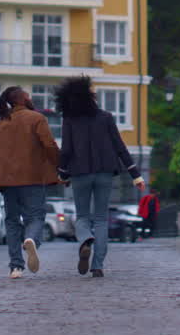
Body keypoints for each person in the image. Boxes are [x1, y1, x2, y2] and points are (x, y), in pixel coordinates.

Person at [55, 76, 145, 278]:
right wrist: (136, 175)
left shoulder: (69, 120)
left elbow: (67, 150)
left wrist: (62, 172)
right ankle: (97, 265)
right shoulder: (106, 117)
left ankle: (86, 239)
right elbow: (119, 147)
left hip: (80, 174)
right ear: (90, 96)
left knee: (83, 216)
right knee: (101, 218)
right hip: (105, 172)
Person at [0, 86, 60, 278]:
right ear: (22, 99)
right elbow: (50, 146)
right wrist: (61, 169)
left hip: (6, 183)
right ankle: (30, 239)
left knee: (11, 222)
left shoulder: (0, 125)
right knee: (35, 217)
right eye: (28, 95)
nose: (30, 97)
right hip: (33, 179)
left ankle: (16, 267)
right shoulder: (36, 118)